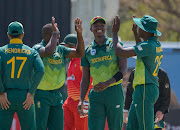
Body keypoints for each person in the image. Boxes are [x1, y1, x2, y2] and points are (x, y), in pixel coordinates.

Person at [112, 15, 163, 130]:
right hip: (144, 89)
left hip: (145, 89)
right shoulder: (155, 44)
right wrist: (136, 33)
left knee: (146, 127)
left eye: (140, 27)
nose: (138, 28)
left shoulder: (148, 46)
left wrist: (115, 33)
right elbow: (141, 50)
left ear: (145, 30)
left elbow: (119, 51)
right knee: (132, 126)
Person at [33, 17, 85, 130]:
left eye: (58, 34)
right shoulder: (37, 48)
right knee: (39, 127)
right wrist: (54, 34)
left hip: (56, 95)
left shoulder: (61, 49)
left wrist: (79, 34)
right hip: (41, 94)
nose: (59, 37)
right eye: (56, 35)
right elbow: (48, 52)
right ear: (48, 36)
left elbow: (80, 53)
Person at [77, 16, 127, 130]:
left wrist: (107, 83)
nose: (99, 28)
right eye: (96, 25)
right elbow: (85, 78)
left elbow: (123, 70)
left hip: (114, 91)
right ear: (91, 29)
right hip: (96, 93)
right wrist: (81, 99)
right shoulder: (88, 51)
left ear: (105, 28)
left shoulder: (115, 45)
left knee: (115, 127)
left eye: (102, 25)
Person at [0, 21, 44, 130]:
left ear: (8, 35)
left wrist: (1, 92)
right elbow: (41, 70)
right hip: (25, 97)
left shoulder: (1, 51)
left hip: (6, 96)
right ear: (23, 34)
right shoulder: (32, 52)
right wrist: (31, 93)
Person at [62, 34, 93, 130]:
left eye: (66, 47)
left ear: (73, 47)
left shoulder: (81, 60)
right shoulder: (71, 61)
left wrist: (86, 100)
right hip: (70, 100)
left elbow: (90, 80)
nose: (64, 51)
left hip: (81, 102)